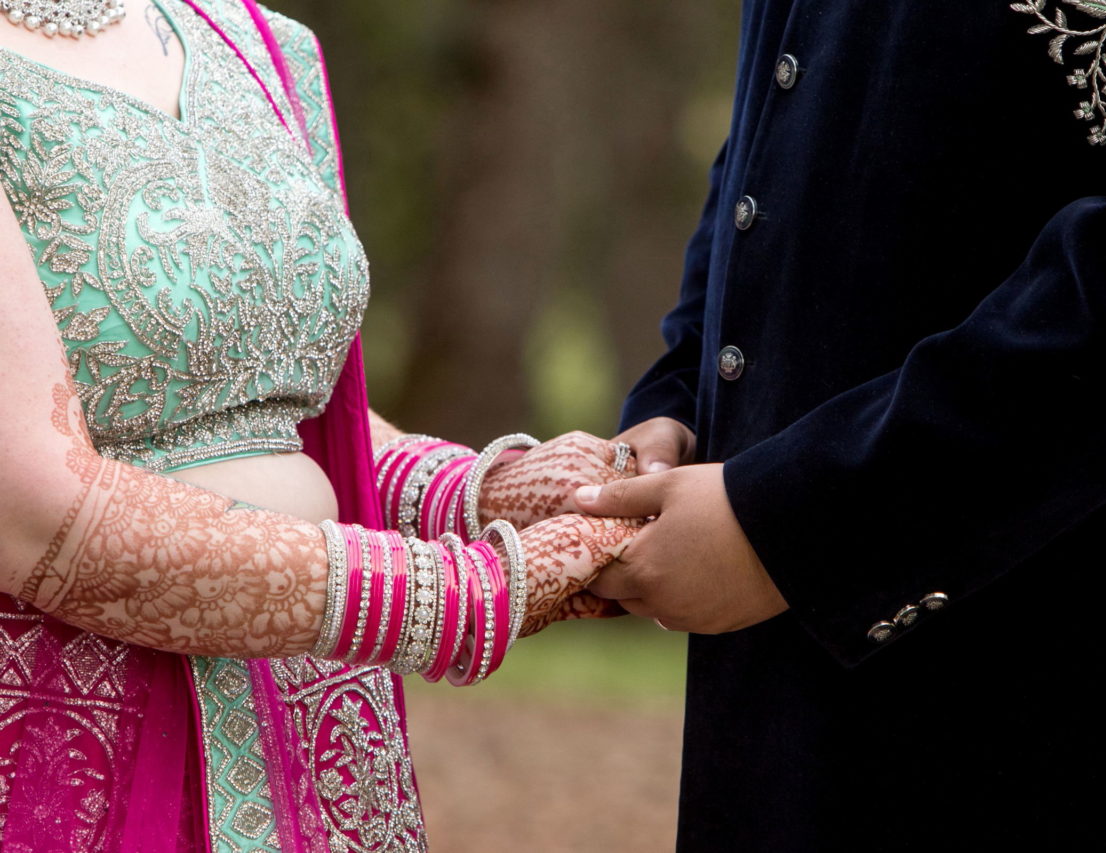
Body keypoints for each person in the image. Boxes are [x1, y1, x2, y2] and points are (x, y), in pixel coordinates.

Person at [577, 1, 1106, 848]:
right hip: (784, 685)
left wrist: (805, 524)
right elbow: (782, 111)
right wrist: (680, 397)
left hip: (1091, 676)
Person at [0, 0, 636, 849]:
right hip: (75, 755)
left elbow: (292, 413)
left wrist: (485, 493)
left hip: (320, 744)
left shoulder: (262, 45)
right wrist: (464, 593)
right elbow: (31, 505)